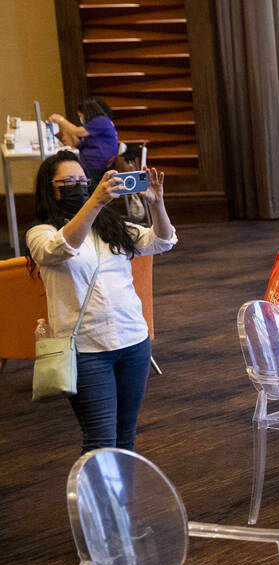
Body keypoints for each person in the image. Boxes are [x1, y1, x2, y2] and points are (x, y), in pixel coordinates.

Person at [26, 152, 176, 452]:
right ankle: (96, 500)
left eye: (83, 180)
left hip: (133, 342)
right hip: (86, 350)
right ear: (49, 190)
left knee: (125, 436)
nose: (78, 186)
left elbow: (162, 240)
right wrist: (95, 201)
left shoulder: (112, 227)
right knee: (100, 440)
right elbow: (63, 247)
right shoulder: (41, 233)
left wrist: (156, 203)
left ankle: (118, 500)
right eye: (68, 181)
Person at [49, 98, 119, 187]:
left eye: (81, 115)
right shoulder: (92, 125)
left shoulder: (101, 120)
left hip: (98, 165)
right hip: (90, 163)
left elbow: (77, 131)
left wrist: (61, 120)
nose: (81, 118)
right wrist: (66, 128)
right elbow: (76, 143)